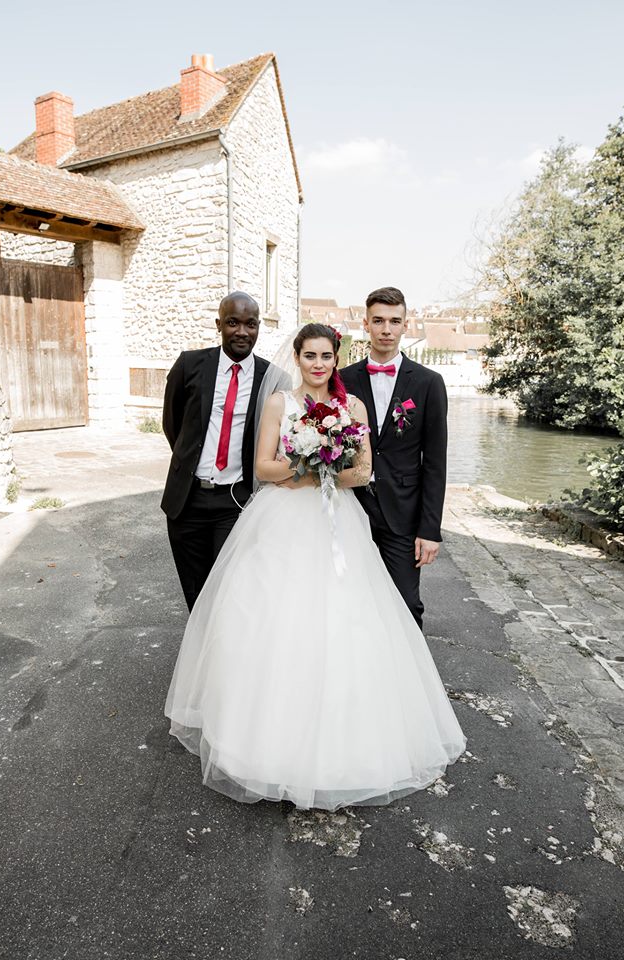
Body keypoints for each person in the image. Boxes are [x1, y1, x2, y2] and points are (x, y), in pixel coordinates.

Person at [165, 322, 465, 811]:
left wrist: (322, 466)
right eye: (310, 356)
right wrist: (309, 466)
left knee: (345, 619)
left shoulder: (353, 408)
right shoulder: (281, 404)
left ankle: (343, 740)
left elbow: (362, 471)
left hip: (336, 522)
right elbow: (263, 466)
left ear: (336, 357)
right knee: (272, 619)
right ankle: (258, 739)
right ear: (298, 358)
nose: (319, 365)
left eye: (327, 356)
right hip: (281, 520)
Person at [161, 291, 291, 611]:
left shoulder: (272, 379)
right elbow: (172, 424)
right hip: (186, 500)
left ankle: (223, 657)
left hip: (235, 501)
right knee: (195, 593)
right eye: (233, 322)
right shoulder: (189, 365)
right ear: (219, 324)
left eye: (250, 324)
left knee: (228, 593)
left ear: (259, 327)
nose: (242, 332)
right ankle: (201, 657)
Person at [341, 287, 447, 632]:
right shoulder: (342, 380)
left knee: (405, 603)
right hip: (350, 507)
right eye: (379, 320)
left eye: (394, 321)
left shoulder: (430, 383)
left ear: (405, 325)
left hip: (403, 513)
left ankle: (408, 682)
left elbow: (434, 462)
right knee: (349, 598)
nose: (386, 329)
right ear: (366, 324)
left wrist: (429, 530)